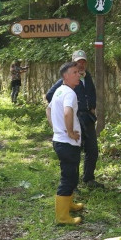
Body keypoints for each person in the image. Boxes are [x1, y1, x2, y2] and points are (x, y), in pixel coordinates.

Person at [45, 50, 103, 188]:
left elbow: (91, 93)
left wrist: (92, 107)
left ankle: (88, 178)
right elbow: (50, 96)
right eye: (78, 62)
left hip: (88, 119)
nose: (81, 65)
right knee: (74, 152)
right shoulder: (66, 81)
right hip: (76, 120)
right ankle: (73, 185)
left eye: (83, 62)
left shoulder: (87, 76)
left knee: (92, 150)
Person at [47, 61, 84, 225]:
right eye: (74, 72)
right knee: (68, 178)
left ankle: (69, 204)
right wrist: (69, 132)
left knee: (72, 174)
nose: (78, 75)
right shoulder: (69, 93)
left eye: (78, 72)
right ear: (65, 76)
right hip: (67, 143)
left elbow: (48, 109)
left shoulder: (58, 91)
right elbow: (68, 112)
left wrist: (56, 128)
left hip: (60, 141)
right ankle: (62, 217)